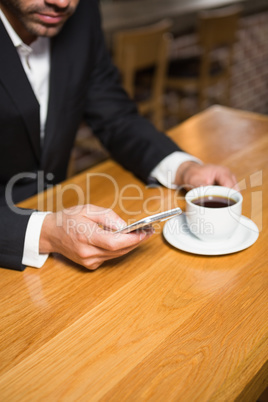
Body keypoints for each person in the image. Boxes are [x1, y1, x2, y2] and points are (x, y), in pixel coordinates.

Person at [0, 0, 237, 271]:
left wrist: (182, 167)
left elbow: (114, 115)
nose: (62, 2)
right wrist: (44, 232)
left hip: (61, 215)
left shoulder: (83, 13)